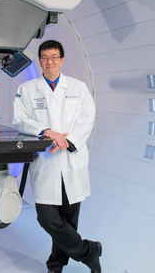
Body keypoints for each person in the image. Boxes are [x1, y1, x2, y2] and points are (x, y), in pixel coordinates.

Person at [13, 40, 100, 273]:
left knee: (69, 220)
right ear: (39, 61)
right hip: (46, 159)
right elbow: (20, 119)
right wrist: (47, 132)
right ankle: (88, 252)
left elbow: (88, 118)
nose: (49, 62)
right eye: (44, 57)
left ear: (62, 59)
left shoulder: (78, 88)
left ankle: (55, 265)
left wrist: (67, 141)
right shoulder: (28, 89)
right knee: (48, 218)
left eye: (54, 57)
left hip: (72, 159)